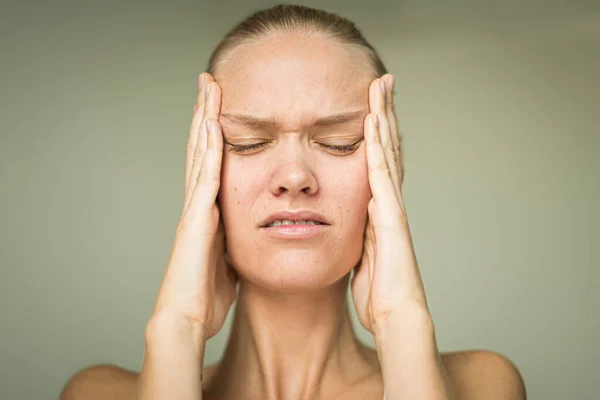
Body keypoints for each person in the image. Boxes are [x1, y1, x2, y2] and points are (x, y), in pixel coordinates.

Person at [60, 5, 526, 400]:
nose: (295, 178)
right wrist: (177, 329)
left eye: (340, 142)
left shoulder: (480, 386)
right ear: (201, 168)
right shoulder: (99, 393)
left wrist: (400, 322)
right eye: (247, 142)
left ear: (391, 165)